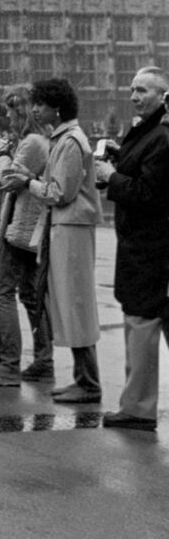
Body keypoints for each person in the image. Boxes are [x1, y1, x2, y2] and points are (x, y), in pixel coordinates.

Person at [95, 66, 169, 431]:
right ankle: (136, 404)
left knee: (140, 321)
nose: (134, 97)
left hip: (150, 248)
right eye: (132, 89)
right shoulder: (147, 131)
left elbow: (150, 194)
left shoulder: (161, 137)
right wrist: (119, 153)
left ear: (162, 95)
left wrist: (112, 177)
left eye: (142, 90)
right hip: (140, 245)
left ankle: (138, 408)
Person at [29, 78, 102, 404]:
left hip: (71, 226)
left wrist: (28, 183)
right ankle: (82, 377)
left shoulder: (70, 142)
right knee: (71, 301)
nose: (34, 110)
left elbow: (60, 192)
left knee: (76, 301)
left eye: (40, 104)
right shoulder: (64, 138)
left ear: (56, 108)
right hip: (66, 226)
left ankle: (88, 381)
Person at [0, 86, 53, 387]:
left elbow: (8, 180)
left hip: (20, 225)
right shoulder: (41, 139)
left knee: (3, 293)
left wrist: (1, 154)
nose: (6, 118)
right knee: (32, 296)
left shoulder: (31, 142)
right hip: (31, 225)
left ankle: (9, 365)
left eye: (9, 112)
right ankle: (43, 359)